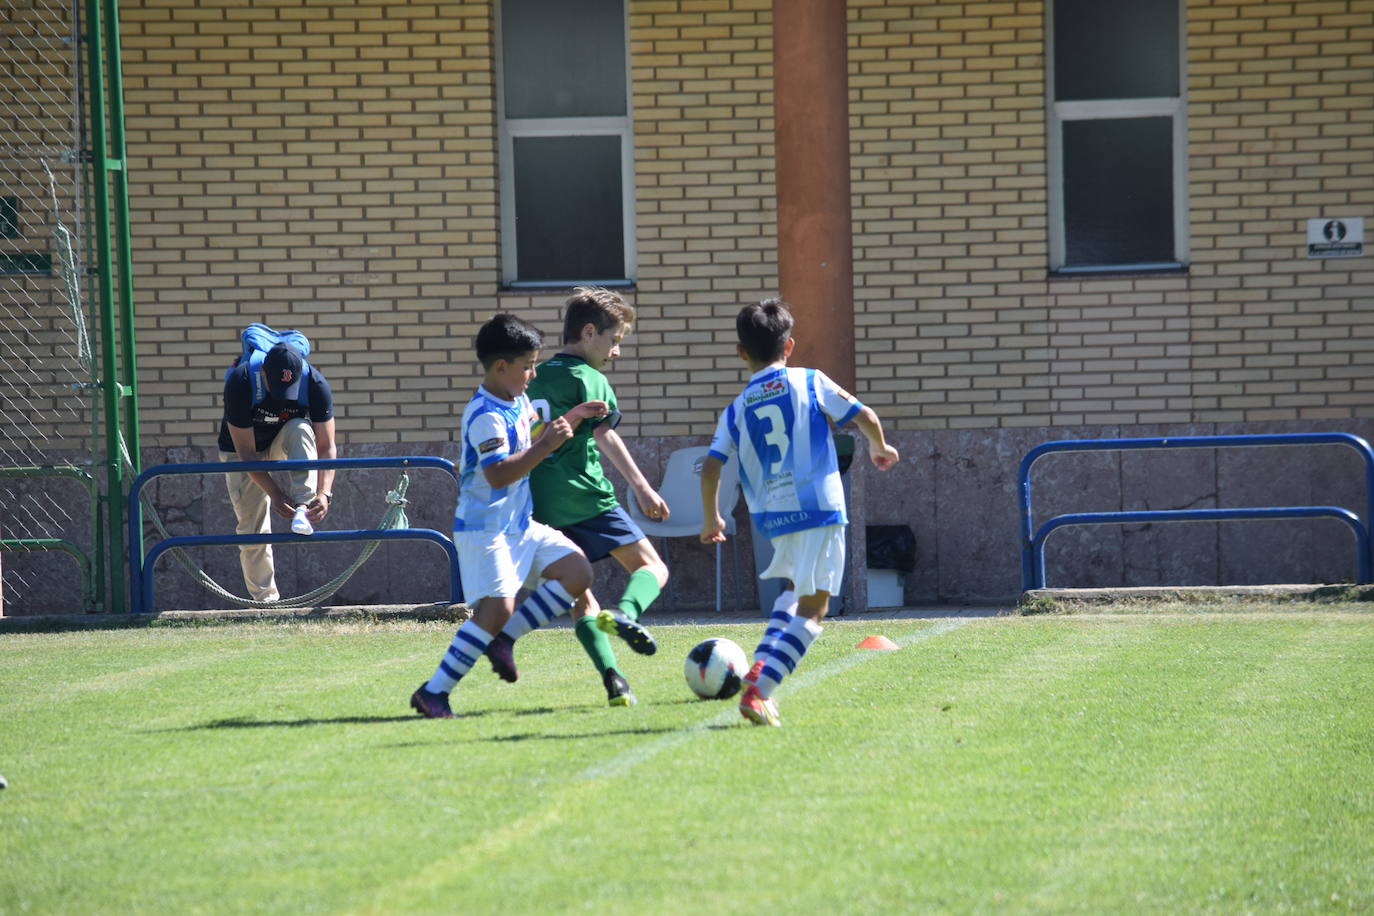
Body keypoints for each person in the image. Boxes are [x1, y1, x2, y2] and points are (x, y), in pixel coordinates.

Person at [699, 299, 899, 726]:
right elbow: (863, 414)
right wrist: (879, 446)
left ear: (740, 352)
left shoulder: (735, 408)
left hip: (772, 514)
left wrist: (711, 516)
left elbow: (712, 464)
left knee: (794, 590)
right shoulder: (809, 380)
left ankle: (760, 663)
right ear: (789, 346)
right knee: (815, 607)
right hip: (819, 507)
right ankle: (760, 689)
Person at [411, 313, 608, 719]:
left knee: (577, 572)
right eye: (527, 365)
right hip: (485, 528)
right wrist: (547, 446)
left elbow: (532, 441)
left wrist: (573, 419)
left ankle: (503, 642)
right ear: (501, 367)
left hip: (519, 524)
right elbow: (499, 473)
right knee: (496, 609)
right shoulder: (485, 413)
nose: (533, 374)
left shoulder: (515, 399)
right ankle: (433, 693)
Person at [481, 287, 670, 707]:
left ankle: (614, 681)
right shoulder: (591, 379)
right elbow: (604, 435)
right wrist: (641, 487)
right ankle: (626, 613)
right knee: (653, 568)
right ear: (588, 333)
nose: (615, 352)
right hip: (587, 498)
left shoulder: (530, 377)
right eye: (614, 340)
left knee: (579, 600)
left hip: (540, 507)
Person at [219, 341, 337, 602]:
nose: (284, 395)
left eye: (290, 389)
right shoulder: (241, 381)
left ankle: (303, 507)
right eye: (277, 387)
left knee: (300, 428)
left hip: (280, 441)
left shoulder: (315, 384)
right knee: (252, 527)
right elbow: (247, 455)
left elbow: (327, 446)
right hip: (242, 451)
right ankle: (265, 603)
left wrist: (325, 493)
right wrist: (274, 492)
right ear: (263, 372)